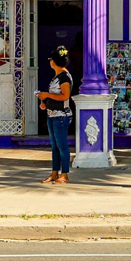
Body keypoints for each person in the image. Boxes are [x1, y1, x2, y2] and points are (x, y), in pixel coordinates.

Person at [36, 46, 74, 184]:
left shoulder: (64, 77)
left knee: (62, 145)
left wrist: (46, 94)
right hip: (52, 114)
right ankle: (54, 173)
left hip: (61, 116)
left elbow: (65, 96)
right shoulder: (57, 76)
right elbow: (56, 95)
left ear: (54, 61)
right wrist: (45, 101)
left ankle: (64, 174)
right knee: (54, 146)